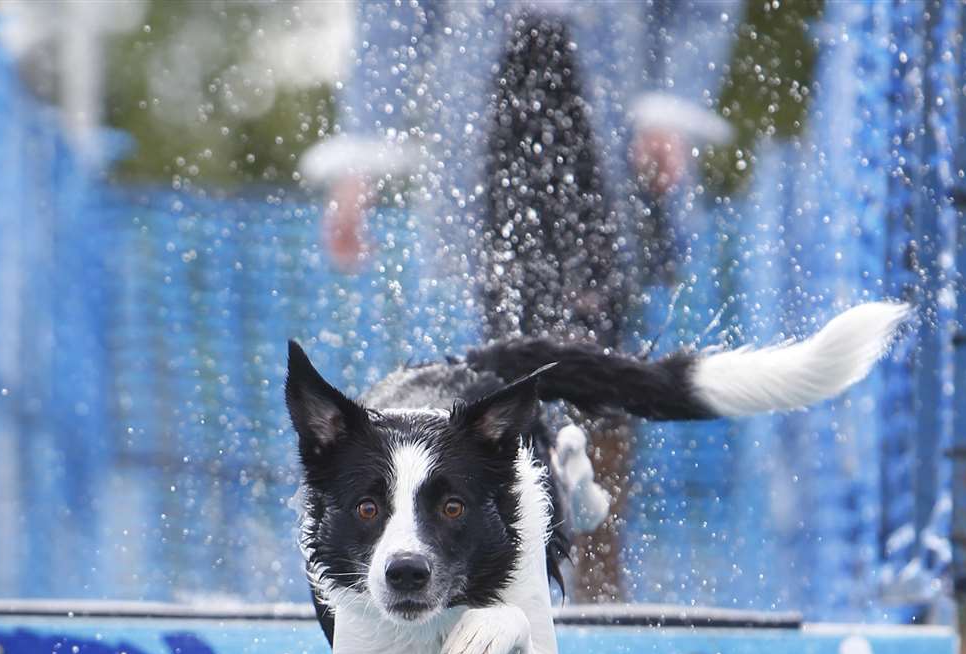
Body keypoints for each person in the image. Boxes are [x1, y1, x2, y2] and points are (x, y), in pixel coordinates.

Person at [304, 0, 736, 602]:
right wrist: (361, 160)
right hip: (490, 104)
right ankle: (523, 567)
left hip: (609, 106)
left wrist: (673, 99)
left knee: (594, 343)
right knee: (511, 355)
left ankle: (598, 570)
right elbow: (392, 17)